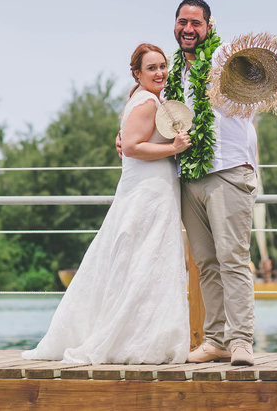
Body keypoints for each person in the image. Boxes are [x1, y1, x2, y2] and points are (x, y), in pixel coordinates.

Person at [22, 43, 192, 364]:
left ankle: (142, 336)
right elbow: (131, 146)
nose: (159, 73)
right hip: (148, 192)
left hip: (149, 189)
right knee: (144, 258)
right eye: (152, 68)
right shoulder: (145, 102)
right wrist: (175, 148)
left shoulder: (143, 99)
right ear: (137, 73)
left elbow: (126, 140)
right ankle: (133, 339)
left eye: (162, 66)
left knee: (142, 260)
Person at [166, 0, 259, 367]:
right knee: (205, 262)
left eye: (196, 23)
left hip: (229, 170)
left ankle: (241, 341)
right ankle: (216, 339)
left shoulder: (226, 62)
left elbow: (256, 94)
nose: (188, 29)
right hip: (191, 176)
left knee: (233, 258)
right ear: (175, 25)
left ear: (209, 27)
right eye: (182, 22)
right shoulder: (176, 72)